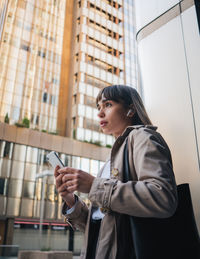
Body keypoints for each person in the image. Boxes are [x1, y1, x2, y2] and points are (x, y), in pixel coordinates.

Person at [54, 85, 178, 259]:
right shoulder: (110, 160)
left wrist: (93, 186)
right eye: (99, 107)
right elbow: (102, 226)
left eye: (108, 105)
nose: (99, 113)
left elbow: (162, 197)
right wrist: (70, 201)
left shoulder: (143, 137)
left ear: (131, 109)